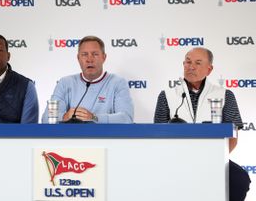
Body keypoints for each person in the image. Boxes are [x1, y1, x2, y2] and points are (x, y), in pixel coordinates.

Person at [154, 47, 250, 201]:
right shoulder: (167, 95)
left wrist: (215, 160)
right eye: (188, 62)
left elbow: (233, 136)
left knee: (239, 179)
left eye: (198, 63)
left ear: (209, 69)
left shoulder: (225, 95)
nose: (191, 66)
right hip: (176, 160)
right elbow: (157, 134)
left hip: (213, 158)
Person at [42, 35, 134, 123]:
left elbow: (126, 118)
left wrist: (93, 117)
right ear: (78, 58)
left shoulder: (117, 83)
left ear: (104, 57)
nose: (89, 59)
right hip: (72, 138)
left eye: (95, 54)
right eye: (84, 54)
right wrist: (64, 117)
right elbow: (46, 118)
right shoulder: (65, 83)